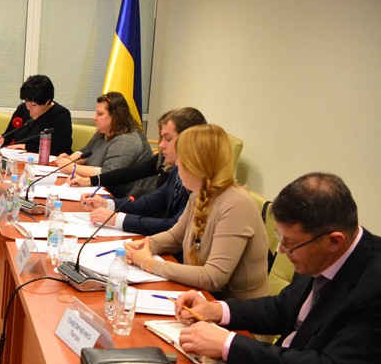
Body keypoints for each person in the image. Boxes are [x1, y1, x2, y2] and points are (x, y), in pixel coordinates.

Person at [174, 173, 381, 364]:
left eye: (290, 243)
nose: (281, 251)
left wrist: (229, 345)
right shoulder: (319, 253)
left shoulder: (374, 286)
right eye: (280, 238)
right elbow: (284, 308)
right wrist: (218, 310)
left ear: (334, 241)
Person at [125, 124, 269, 299]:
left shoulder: (237, 205)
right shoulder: (198, 194)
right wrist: (147, 245)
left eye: (181, 158)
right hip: (202, 298)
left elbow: (213, 277)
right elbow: (175, 237)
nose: (177, 163)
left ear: (196, 164)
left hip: (236, 310)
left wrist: (150, 264)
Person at [79, 107, 207, 236]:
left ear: (188, 140)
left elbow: (174, 226)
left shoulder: (198, 181)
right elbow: (151, 203)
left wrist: (117, 219)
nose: (161, 145)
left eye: (168, 139)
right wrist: (107, 203)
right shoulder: (176, 170)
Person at [53, 92, 154, 198]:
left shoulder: (128, 140)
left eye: (100, 114)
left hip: (126, 198)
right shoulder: (103, 132)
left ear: (116, 116)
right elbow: (85, 152)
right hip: (98, 190)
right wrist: (69, 159)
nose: (95, 118)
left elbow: (108, 174)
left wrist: (72, 167)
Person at [0, 74, 72, 156]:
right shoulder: (23, 108)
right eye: (26, 101)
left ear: (47, 102)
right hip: (19, 157)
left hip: (48, 161)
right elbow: (9, 134)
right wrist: (2, 139)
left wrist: (25, 146)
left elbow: (59, 148)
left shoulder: (61, 115)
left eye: (33, 105)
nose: (28, 107)